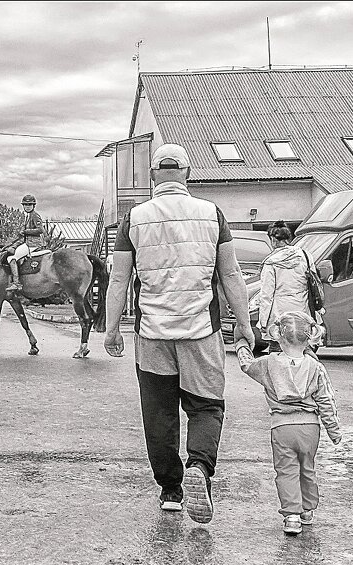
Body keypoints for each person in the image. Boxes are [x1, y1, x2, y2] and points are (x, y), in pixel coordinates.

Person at [103, 142, 255, 525]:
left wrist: (110, 330)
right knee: (206, 405)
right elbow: (231, 275)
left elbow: (119, 277)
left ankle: (170, 490)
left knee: (158, 412)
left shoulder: (134, 218)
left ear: (154, 175)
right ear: (187, 173)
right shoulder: (212, 214)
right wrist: (244, 325)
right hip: (201, 330)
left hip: (152, 333)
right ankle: (200, 468)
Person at [238, 311, 340, 536]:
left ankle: (292, 516)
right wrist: (334, 431)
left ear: (278, 337)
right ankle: (307, 510)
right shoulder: (316, 367)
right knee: (307, 468)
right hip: (310, 429)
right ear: (309, 338)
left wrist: (241, 344)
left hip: (282, 427)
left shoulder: (267, 364)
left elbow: (246, 365)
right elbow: (326, 400)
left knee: (286, 471)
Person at [258, 221, 319, 356]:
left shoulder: (271, 262)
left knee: (277, 354)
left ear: (273, 239)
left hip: (279, 314)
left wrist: (263, 322)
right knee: (302, 351)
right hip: (302, 311)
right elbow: (313, 282)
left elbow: (266, 295)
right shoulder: (305, 256)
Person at [5, 194, 46, 292]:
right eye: (25, 205)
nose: (27, 206)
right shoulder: (27, 216)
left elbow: (40, 230)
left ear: (33, 206)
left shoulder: (35, 216)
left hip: (33, 244)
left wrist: (26, 231)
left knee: (11, 258)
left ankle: (16, 283)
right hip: (28, 243)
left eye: (29, 204)